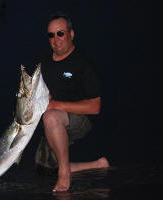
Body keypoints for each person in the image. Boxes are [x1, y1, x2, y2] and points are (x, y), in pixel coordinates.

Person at [33, 13, 110, 192]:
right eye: (51, 35)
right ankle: (96, 164)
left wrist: (55, 105)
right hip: (55, 117)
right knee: (44, 169)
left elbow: (95, 107)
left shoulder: (83, 63)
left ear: (71, 34)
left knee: (51, 117)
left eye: (60, 33)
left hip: (82, 119)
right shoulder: (43, 63)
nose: (55, 39)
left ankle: (64, 175)